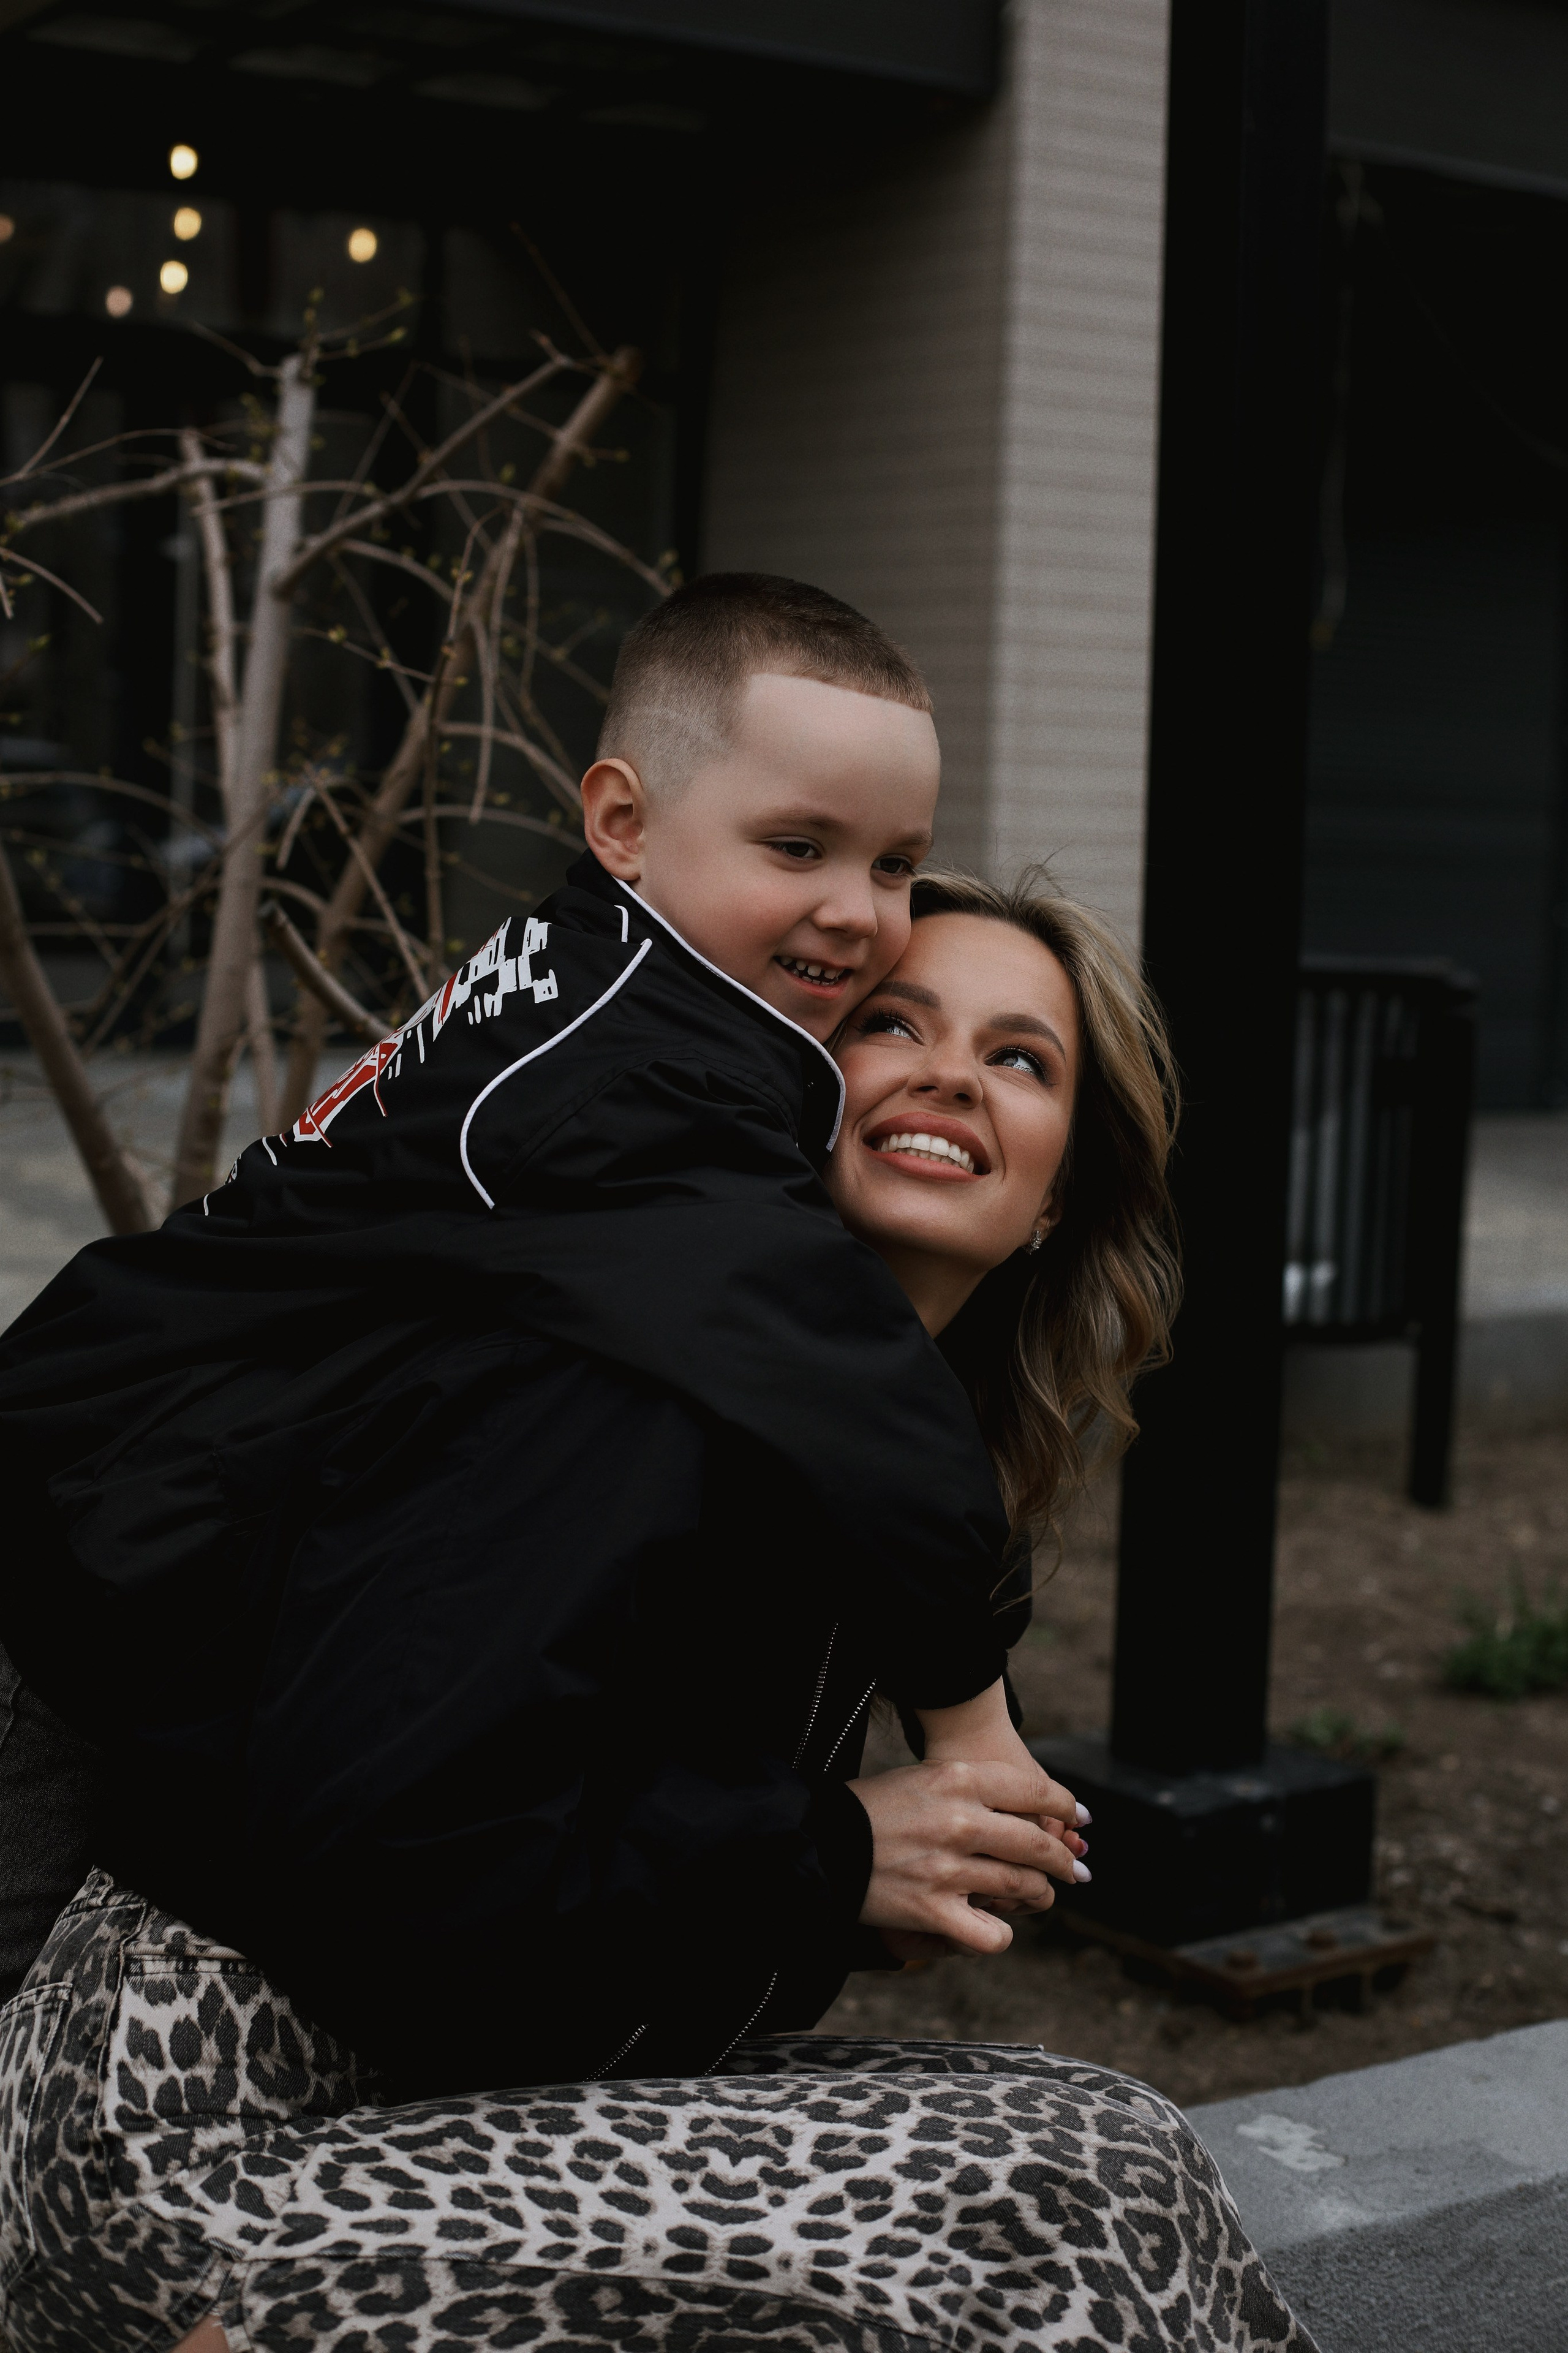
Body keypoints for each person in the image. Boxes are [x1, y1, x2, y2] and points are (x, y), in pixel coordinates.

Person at [0, 871, 1317, 2353]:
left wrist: (866, 1894)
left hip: (429, 2101)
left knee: (1120, 2140)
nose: (952, 1071)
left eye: (1020, 1058)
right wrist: (830, 1863)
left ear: (1054, 1199)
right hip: (185, 2129)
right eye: (894, 1025)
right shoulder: (610, 1389)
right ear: (799, 1099)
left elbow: (605, 1891)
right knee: (1034, 2193)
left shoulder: (883, 1469)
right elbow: (385, 1853)